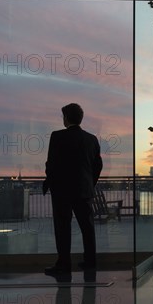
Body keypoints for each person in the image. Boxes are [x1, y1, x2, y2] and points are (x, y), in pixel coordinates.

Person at [43, 103, 102, 278]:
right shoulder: (91, 139)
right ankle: (90, 262)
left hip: (62, 191)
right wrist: (90, 183)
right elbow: (97, 165)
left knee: (63, 228)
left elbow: (51, 164)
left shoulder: (57, 136)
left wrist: (51, 182)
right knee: (87, 227)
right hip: (84, 189)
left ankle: (63, 264)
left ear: (66, 118)